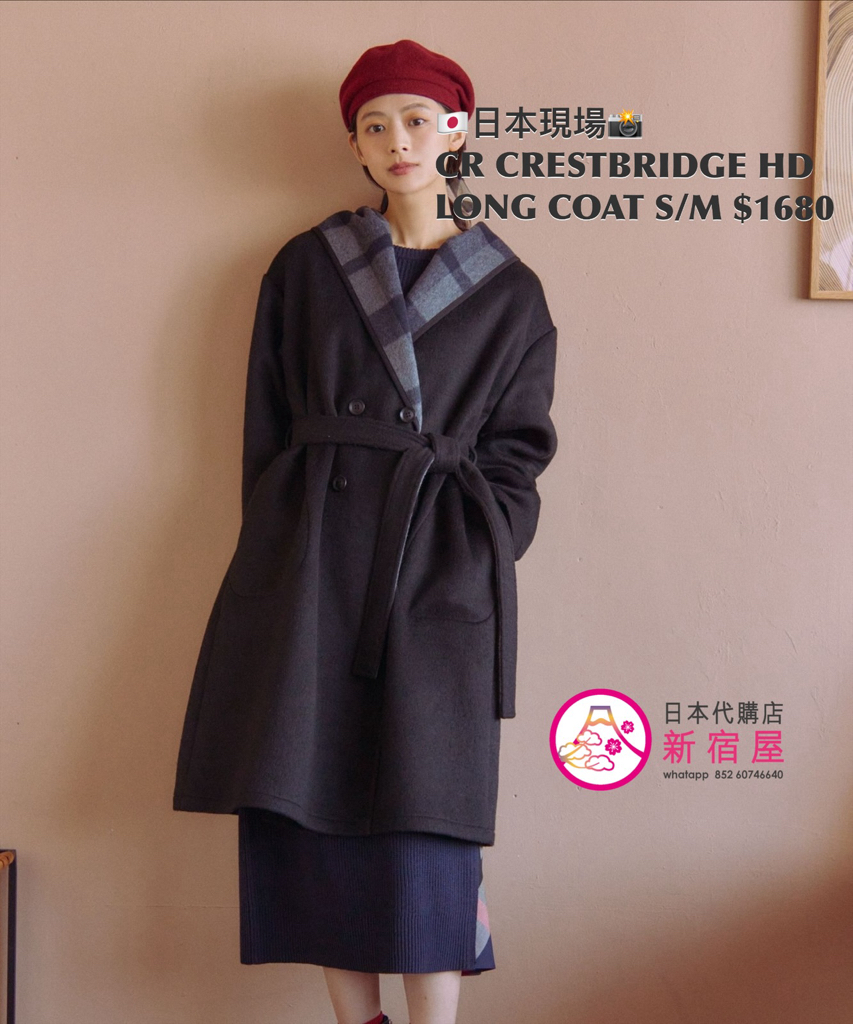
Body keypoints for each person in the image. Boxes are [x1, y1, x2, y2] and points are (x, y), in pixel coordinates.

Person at [172, 39, 559, 1024]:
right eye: (374, 125)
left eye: (417, 121)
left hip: (437, 571)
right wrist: (283, 548)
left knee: (426, 817)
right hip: (312, 568)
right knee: (308, 808)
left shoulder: (511, 290)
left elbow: (519, 450)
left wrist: (475, 546)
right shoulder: (306, 266)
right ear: (353, 143)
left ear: (455, 131)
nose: (397, 141)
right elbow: (265, 426)